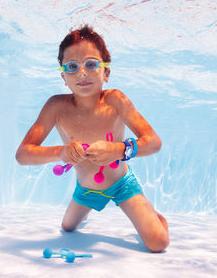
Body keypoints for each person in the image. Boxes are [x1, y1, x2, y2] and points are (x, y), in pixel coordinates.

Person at [15, 25, 169, 252]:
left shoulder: (116, 100)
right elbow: (23, 154)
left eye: (91, 64)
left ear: (106, 72)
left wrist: (119, 150)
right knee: (67, 228)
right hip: (85, 189)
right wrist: (60, 152)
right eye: (72, 67)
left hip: (122, 185)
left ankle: (155, 217)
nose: (82, 73)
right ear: (63, 77)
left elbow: (153, 142)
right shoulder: (56, 106)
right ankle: (88, 207)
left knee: (158, 243)